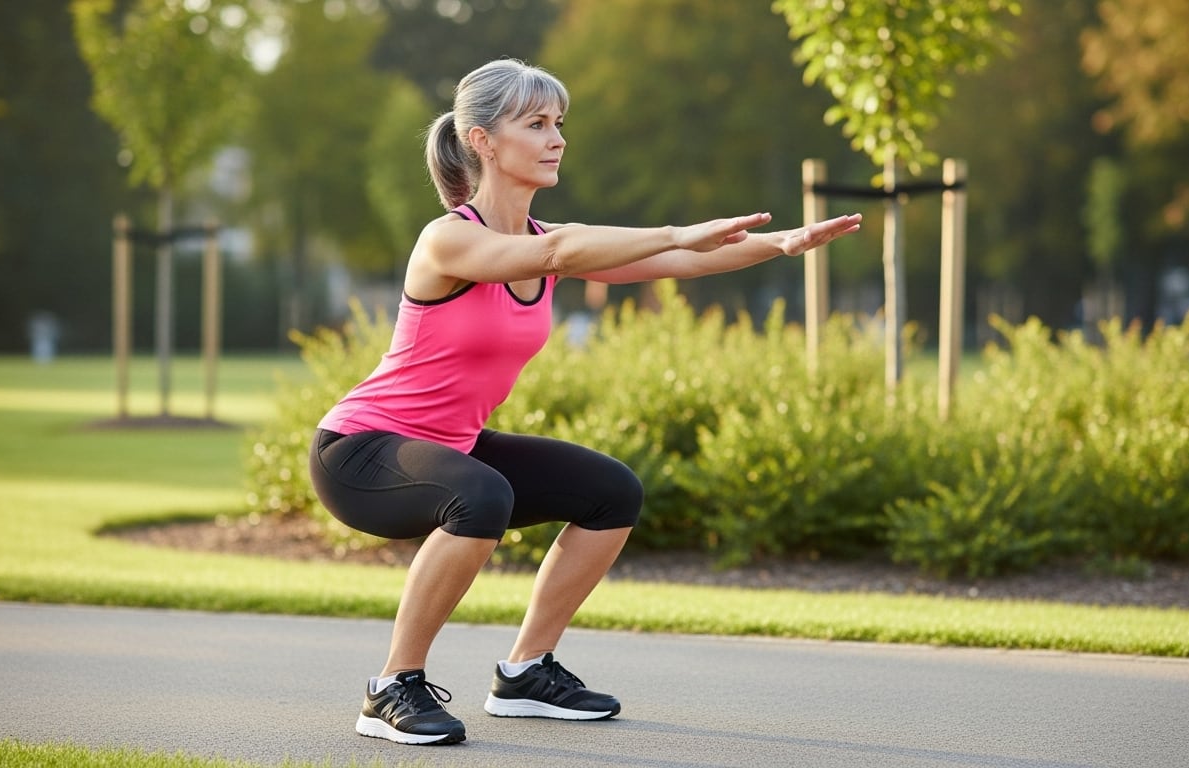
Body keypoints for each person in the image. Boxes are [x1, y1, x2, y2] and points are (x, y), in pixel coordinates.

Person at [308, 58, 862, 747]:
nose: (557, 138)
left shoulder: (545, 241)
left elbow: (682, 262)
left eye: (559, 123)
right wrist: (676, 231)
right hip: (359, 452)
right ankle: (393, 686)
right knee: (481, 496)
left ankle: (525, 673)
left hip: (451, 445)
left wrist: (779, 244)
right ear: (482, 141)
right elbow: (566, 255)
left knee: (610, 491)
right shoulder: (449, 238)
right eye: (537, 124)